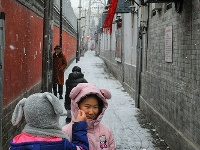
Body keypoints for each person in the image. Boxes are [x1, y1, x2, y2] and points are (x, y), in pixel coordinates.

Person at [10, 92, 89, 150]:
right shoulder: (61, 144)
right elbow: (81, 148)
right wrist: (80, 125)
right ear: (55, 114)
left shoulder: (16, 144)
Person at [62, 83, 116, 150]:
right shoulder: (66, 132)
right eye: (87, 107)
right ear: (77, 107)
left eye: (95, 107)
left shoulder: (106, 131)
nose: (91, 112)